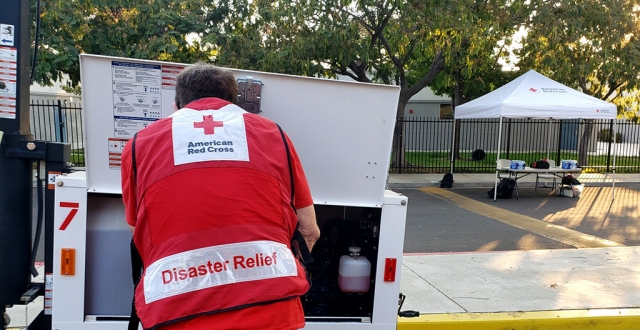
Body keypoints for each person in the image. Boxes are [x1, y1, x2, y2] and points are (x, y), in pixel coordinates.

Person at [121, 63, 320, 330]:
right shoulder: (275, 135)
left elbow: (138, 231)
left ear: (177, 105)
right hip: (272, 312)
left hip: (177, 313)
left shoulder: (138, 145)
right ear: (234, 102)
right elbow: (309, 231)